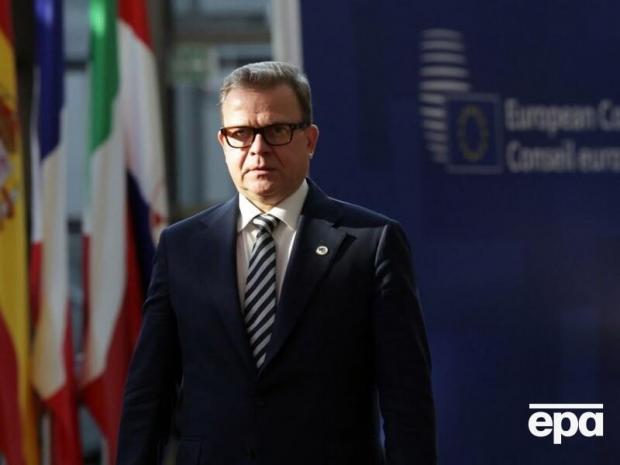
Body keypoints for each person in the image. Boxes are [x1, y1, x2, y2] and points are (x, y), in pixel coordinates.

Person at [117, 61, 436, 465]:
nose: (258, 149)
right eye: (240, 134)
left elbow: (407, 398)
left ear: (310, 140)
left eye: (277, 130)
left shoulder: (371, 242)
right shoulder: (182, 247)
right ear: (222, 142)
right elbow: (150, 391)